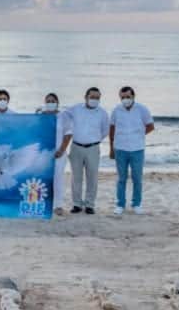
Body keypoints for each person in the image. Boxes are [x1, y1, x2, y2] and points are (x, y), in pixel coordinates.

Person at [109, 86, 155, 215]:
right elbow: (112, 129)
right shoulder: (116, 110)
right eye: (122, 97)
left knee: (137, 178)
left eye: (128, 97)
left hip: (137, 149)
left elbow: (151, 126)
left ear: (133, 96)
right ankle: (120, 205)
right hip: (120, 149)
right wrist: (111, 148)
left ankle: (137, 204)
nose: (125, 99)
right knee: (121, 178)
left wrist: (139, 135)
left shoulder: (142, 109)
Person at [65, 87, 109, 214]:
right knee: (76, 177)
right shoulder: (76, 109)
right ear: (86, 97)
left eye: (97, 98)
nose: (94, 100)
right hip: (76, 147)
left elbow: (105, 131)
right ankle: (77, 204)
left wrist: (94, 140)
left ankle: (90, 204)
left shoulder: (102, 113)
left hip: (93, 148)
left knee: (92, 177)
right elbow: (62, 115)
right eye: (92, 97)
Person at [39, 93, 73, 215]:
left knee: (58, 179)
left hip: (59, 154)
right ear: (45, 103)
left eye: (53, 101)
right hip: (45, 154)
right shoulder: (41, 116)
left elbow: (68, 134)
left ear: (57, 103)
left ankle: (58, 205)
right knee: (44, 179)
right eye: (48, 101)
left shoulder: (63, 116)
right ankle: (43, 202)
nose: (50, 103)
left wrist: (61, 150)